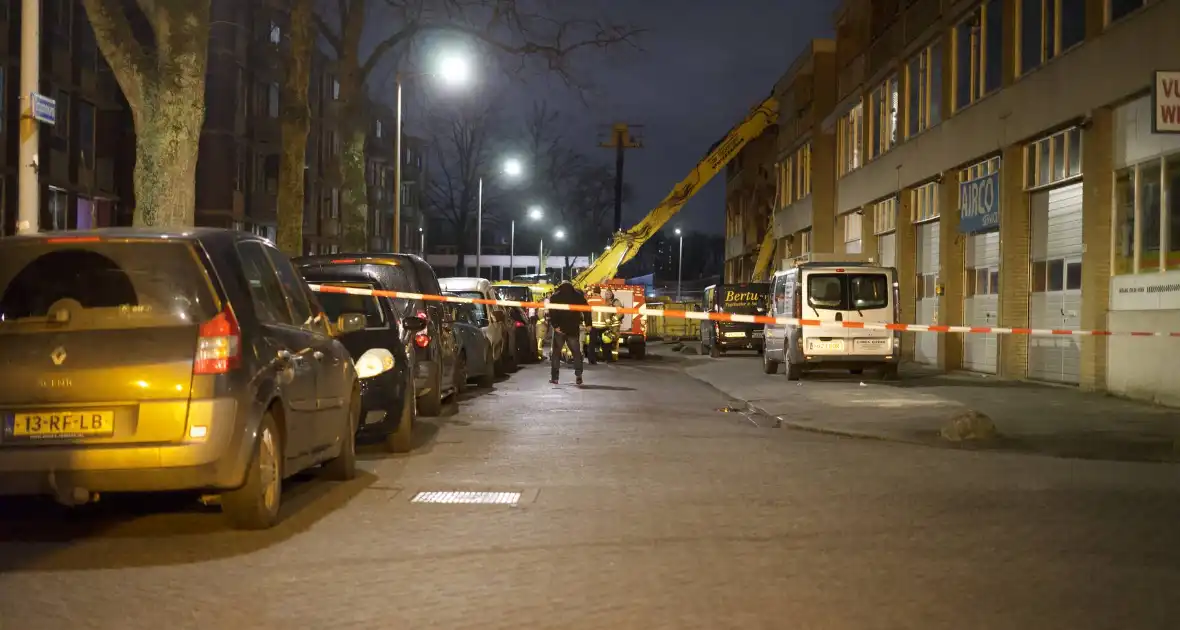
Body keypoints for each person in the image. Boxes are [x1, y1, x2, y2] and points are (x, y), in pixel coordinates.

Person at [546, 281, 590, 385]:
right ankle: (579, 375)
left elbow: (552, 312)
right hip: (573, 329)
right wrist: (588, 324)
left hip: (560, 330)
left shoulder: (555, 296)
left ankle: (555, 378)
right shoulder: (578, 296)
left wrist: (555, 326)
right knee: (576, 353)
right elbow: (587, 309)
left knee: (556, 354)